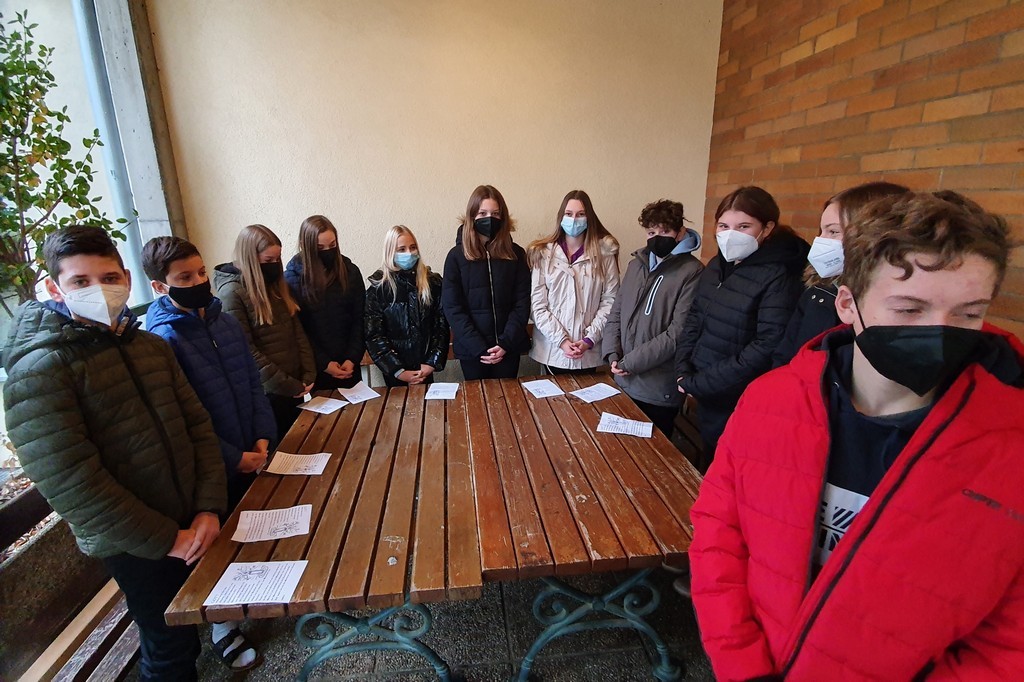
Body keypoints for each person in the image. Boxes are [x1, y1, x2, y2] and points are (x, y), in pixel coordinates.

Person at [690, 192, 1024, 680]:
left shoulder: (1009, 444)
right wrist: (742, 662)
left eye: (969, 313)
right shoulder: (771, 402)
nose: (940, 333)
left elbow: (1009, 642)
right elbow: (720, 534)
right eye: (909, 309)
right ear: (847, 304)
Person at [2, 226, 227, 680]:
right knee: (168, 648)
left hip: (190, 517)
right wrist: (168, 538)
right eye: (80, 282)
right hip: (135, 541)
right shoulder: (39, 371)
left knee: (191, 625)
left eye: (108, 278)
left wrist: (208, 507)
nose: (99, 290)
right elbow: (73, 483)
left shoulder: (149, 347)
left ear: (126, 278)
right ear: (55, 289)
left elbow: (197, 426)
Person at [675, 186, 808, 468]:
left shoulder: (779, 274)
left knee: (728, 469)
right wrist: (684, 369)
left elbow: (767, 345)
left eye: (744, 226)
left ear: (767, 228)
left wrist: (701, 383)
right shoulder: (716, 265)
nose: (730, 234)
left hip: (739, 399)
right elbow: (695, 317)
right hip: (705, 392)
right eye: (724, 226)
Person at [143, 236, 276, 512]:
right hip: (215, 470)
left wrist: (262, 434)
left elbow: (253, 382)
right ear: (159, 287)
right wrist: (233, 458)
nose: (199, 282)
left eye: (202, 272)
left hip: (254, 451)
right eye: (185, 277)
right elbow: (182, 419)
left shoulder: (226, 323)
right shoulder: (164, 340)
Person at [772, 181, 909, 367]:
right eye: (822, 231)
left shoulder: (896, 307)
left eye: (833, 231)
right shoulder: (819, 289)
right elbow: (785, 353)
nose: (820, 241)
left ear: (875, 233)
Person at [602, 199, 703, 438]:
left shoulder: (692, 271)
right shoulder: (636, 265)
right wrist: (612, 354)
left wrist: (629, 363)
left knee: (654, 454)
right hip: (623, 380)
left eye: (665, 231)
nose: (657, 238)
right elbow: (616, 312)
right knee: (619, 449)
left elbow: (677, 333)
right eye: (651, 232)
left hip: (658, 388)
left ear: (680, 233)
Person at [215, 224, 315, 437]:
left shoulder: (275, 286)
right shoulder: (232, 294)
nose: (275, 265)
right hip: (269, 393)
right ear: (250, 259)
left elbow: (297, 333)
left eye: (277, 259)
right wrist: (287, 384)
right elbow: (247, 351)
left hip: (293, 387)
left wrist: (308, 374)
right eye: (269, 260)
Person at [441, 185, 531, 380]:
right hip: (473, 352)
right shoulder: (456, 257)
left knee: (508, 398)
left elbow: (522, 303)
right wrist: (479, 347)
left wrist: (505, 343)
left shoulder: (516, 254)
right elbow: (452, 308)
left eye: (495, 213)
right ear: (472, 216)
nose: (489, 218)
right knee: (477, 399)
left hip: (508, 350)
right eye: (482, 213)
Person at [528, 190, 620, 374]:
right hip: (552, 351)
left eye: (580, 214)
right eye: (569, 214)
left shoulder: (605, 254)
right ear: (561, 217)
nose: (574, 220)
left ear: (589, 217)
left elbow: (610, 301)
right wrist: (562, 341)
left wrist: (588, 339)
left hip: (588, 352)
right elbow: (537, 305)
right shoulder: (543, 254)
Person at [284, 215, 366, 390]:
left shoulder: (350, 271)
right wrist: (324, 363)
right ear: (305, 246)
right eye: (320, 248)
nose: (328, 251)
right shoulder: (292, 279)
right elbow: (299, 330)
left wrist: (352, 358)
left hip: (349, 364)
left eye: (332, 245)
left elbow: (359, 318)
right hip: (318, 368)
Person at [364, 225, 449, 387]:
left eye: (413, 247)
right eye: (401, 249)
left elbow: (441, 325)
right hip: (395, 374)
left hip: (425, 368)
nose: (409, 253)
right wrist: (398, 371)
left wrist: (431, 363)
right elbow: (374, 335)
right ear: (390, 252)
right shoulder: (379, 289)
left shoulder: (432, 283)